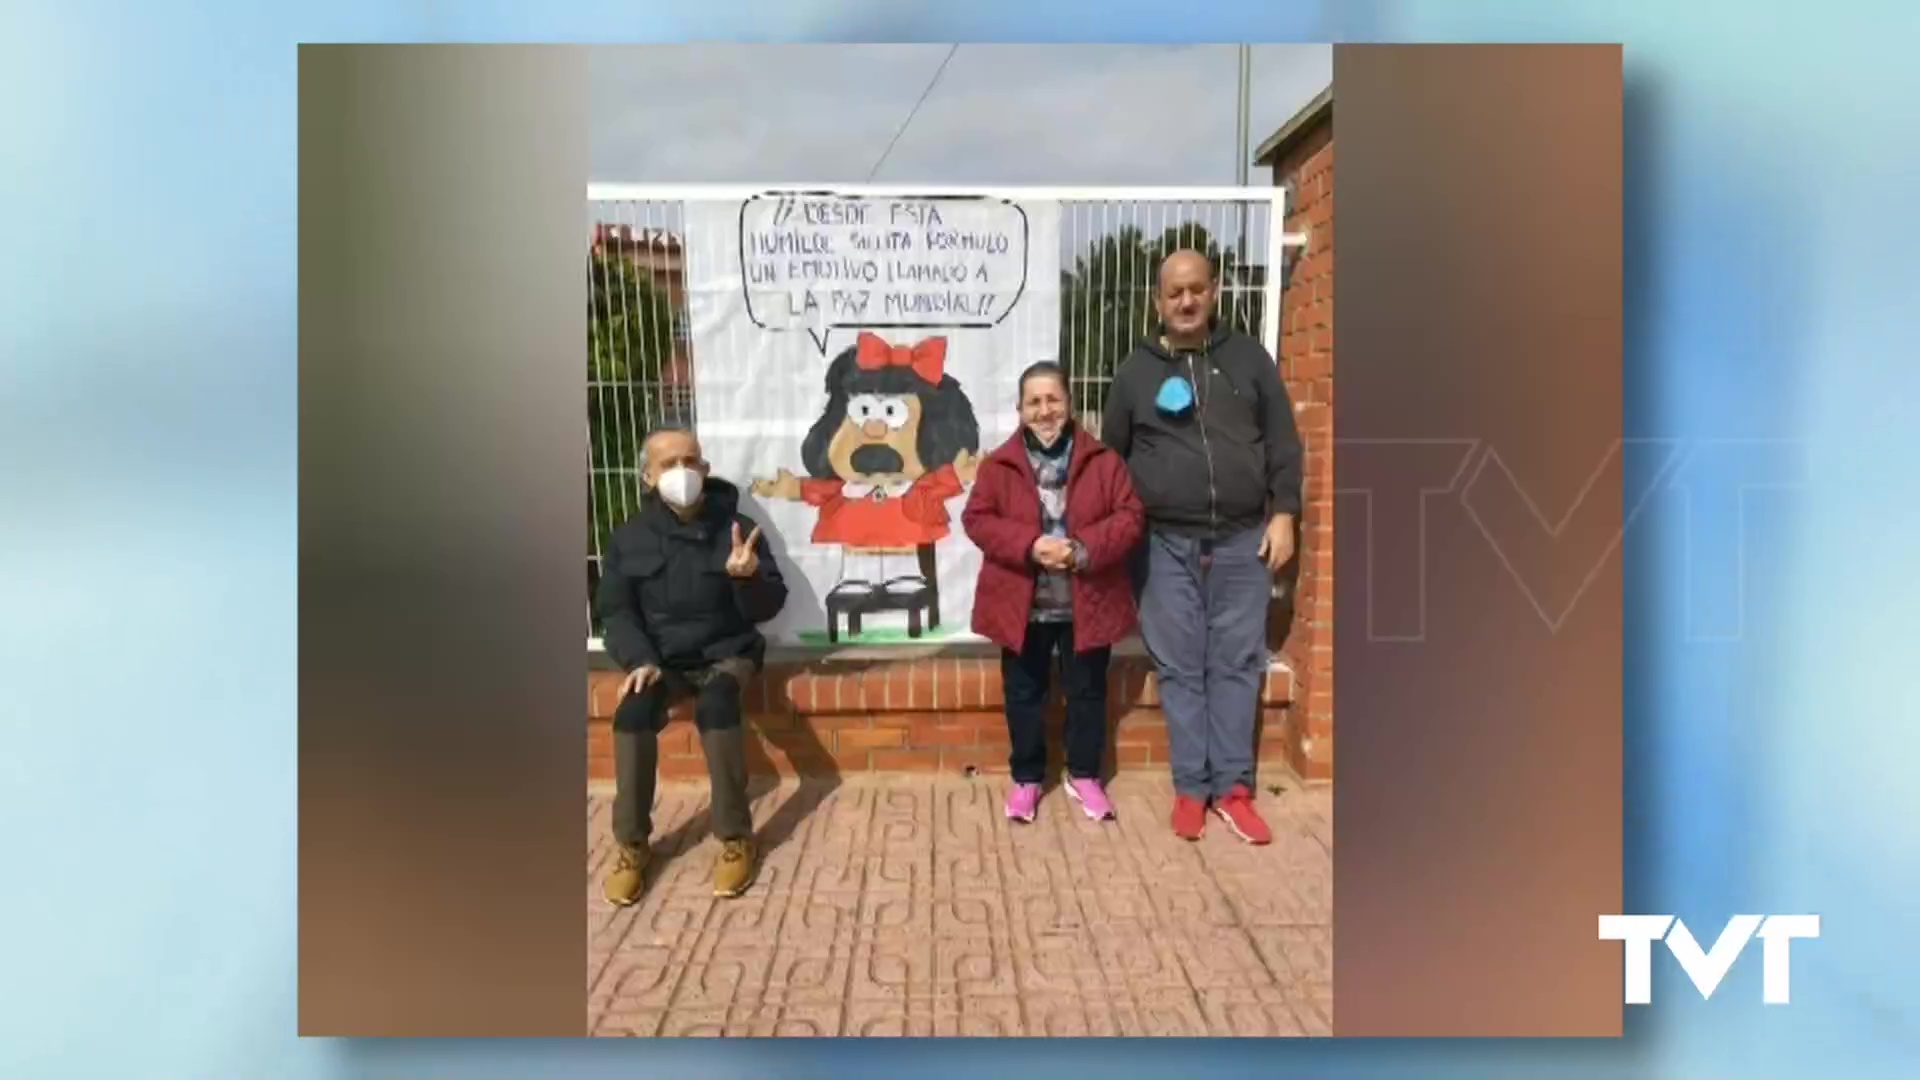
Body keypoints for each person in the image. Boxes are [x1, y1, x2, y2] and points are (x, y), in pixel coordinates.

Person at [1100, 250, 1303, 845]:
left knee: (1237, 663)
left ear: (1214, 292)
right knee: (1181, 667)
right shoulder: (1135, 372)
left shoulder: (1248, 360)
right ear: (1158, 302)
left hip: (1244, 541)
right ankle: (1192, 788)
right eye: (1174, 293)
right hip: (1164, 545)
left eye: (1196, 290)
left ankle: (1234, 791)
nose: (1186, 302)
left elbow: (1285, 444)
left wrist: (1285, 513)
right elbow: (1111, 460)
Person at [595, 426, 788, 903]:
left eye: (690, 461)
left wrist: (747, 581)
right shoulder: (629, 539)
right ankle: (632, 845)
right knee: (633, 713)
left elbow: (769, 605)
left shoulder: (737, 528)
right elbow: (615, 612)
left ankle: (734, 838)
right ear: (647, 477)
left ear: (704, 468)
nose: (681, 473)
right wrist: (638, 659)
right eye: (668, 464)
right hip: (662, 661)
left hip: (728, 652)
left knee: (718, 705)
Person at [962, 362, 1146, 824]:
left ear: (1070, 403)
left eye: (1053, 400)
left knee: (1087, 692)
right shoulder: (999, 465)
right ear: (1020, 410)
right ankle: (1026, 776)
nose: (1045, 411)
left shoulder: (1104, 461)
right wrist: (1029, 546)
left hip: (1087, 604)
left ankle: (1083, 774)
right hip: (1022, 606)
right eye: (1034, 402)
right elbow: (977, 520)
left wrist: (1082, 550)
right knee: (1023, 693)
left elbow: (1130, 519)